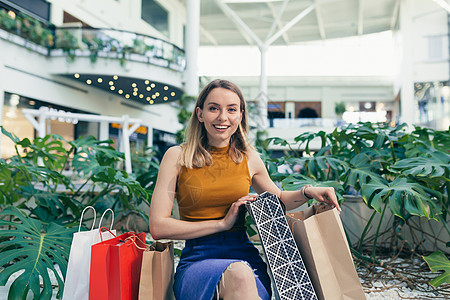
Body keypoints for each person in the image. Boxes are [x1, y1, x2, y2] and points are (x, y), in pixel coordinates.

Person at [149, 79, 341, 300]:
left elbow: (277, 199)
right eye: (214, 108)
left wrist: (308, 191)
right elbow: (158, 226)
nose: (223, 117)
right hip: (197, 260)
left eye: (231, 109)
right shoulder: (177, 156)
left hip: (245, 256)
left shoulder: (249, 158)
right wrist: (222, 224)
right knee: (239, 273)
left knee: (242, 273)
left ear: (240, 115)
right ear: (200, 114)